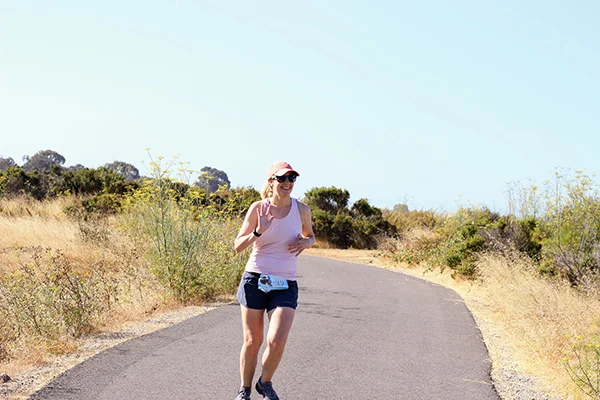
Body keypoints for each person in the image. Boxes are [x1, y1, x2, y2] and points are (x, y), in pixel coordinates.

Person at [233, 161, 315, 400]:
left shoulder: (302, 209)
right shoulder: (258, 208)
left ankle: (265, 382)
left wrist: (306, 242)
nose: (287, 183)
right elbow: (238, 246)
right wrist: (258, 231)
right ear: (271, 182)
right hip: (255, 278)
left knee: (277, 339)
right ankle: (244, 390)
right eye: (282, 178)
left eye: (292, 178)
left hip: (285, 282)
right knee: (252, 341)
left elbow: (311, 236)